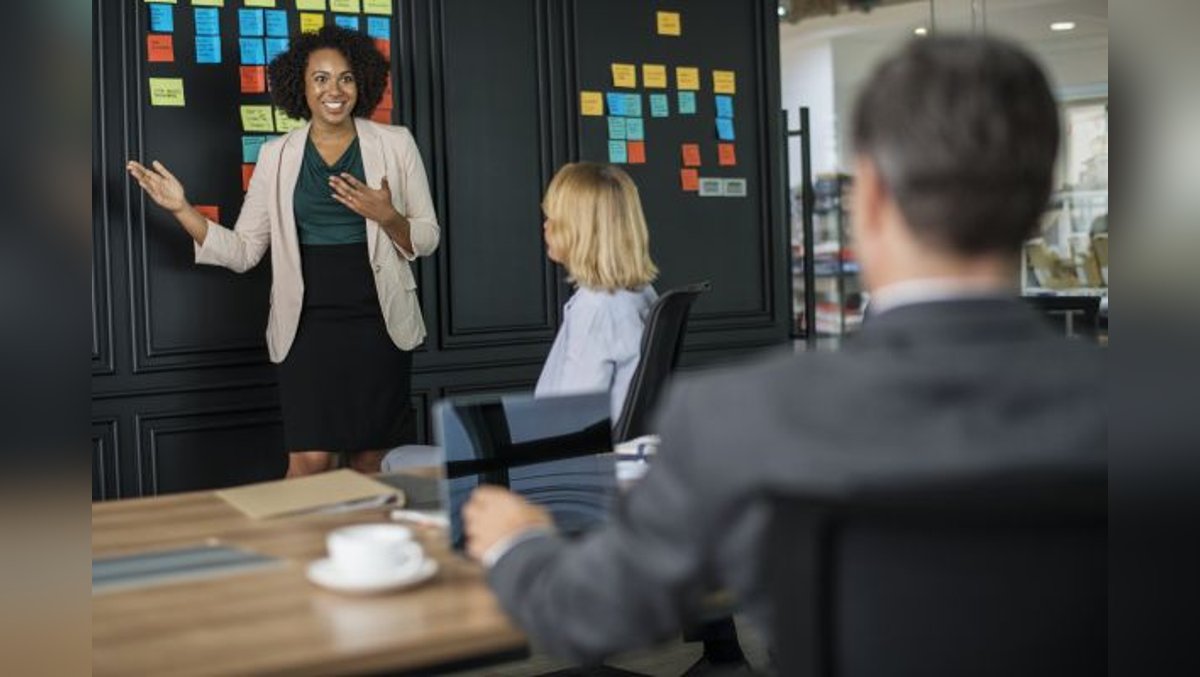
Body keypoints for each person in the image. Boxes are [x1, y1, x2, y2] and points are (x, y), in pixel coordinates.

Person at [462, 35, 1105, 666]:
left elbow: (587, 613)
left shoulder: (736, 420)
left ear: (872, 195)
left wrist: (518, 545)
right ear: (1044, 201)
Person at [126, 26, 438, 478]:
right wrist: (181, 209)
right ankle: (303, 551)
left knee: (373, 460)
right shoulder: (277, 155)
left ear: (362, 83)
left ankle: (366, 548)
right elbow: (245, 251)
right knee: (309, 462)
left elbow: (428, 236)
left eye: (346, 78)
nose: (335, 90)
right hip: (306, 327)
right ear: (301, 86)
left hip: (380, 325)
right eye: (321, 79)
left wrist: (388, 215)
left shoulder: (396, 143)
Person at [534, 162, 659, 423]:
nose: (546, 226)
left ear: (580, 229)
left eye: (554, 219)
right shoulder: (641, 293)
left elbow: (570, 419)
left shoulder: (596, 309)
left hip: (574, 457)